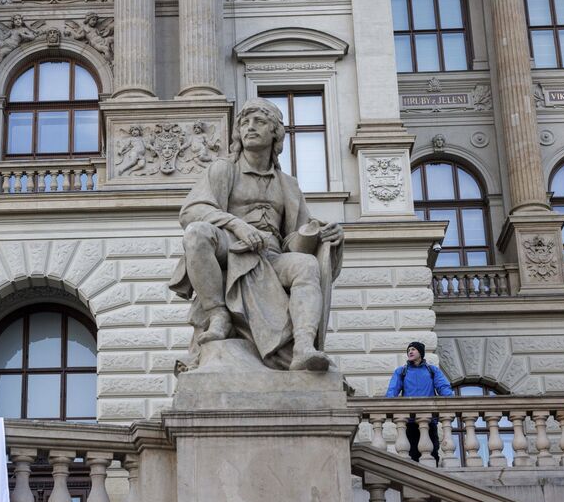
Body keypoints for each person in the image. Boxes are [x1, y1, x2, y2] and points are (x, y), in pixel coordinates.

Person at [168, 98, 344, 372]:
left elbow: (294, 242)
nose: (250, 127)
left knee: (306, 265)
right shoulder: (223, 169)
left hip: (272, 256)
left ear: (275, 132)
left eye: (259, 122)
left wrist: (320, 234)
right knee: (196, 233)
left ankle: (303, 348)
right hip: (232, 248)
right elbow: (191, 212)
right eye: (244, 123)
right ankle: (218, 315)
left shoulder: (288, 184)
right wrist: (238, 225)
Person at [386, 341, 452, 462]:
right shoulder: (401, 371)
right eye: (408, 350)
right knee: (412, 454)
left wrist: (452, 401)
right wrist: (389, 405)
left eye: (413, 349)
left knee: (433, 453)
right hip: (409, 421)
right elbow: (392, 390)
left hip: (429, 420)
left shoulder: (432, 370)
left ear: (420, 353)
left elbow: (443, 387)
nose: (410, 352)